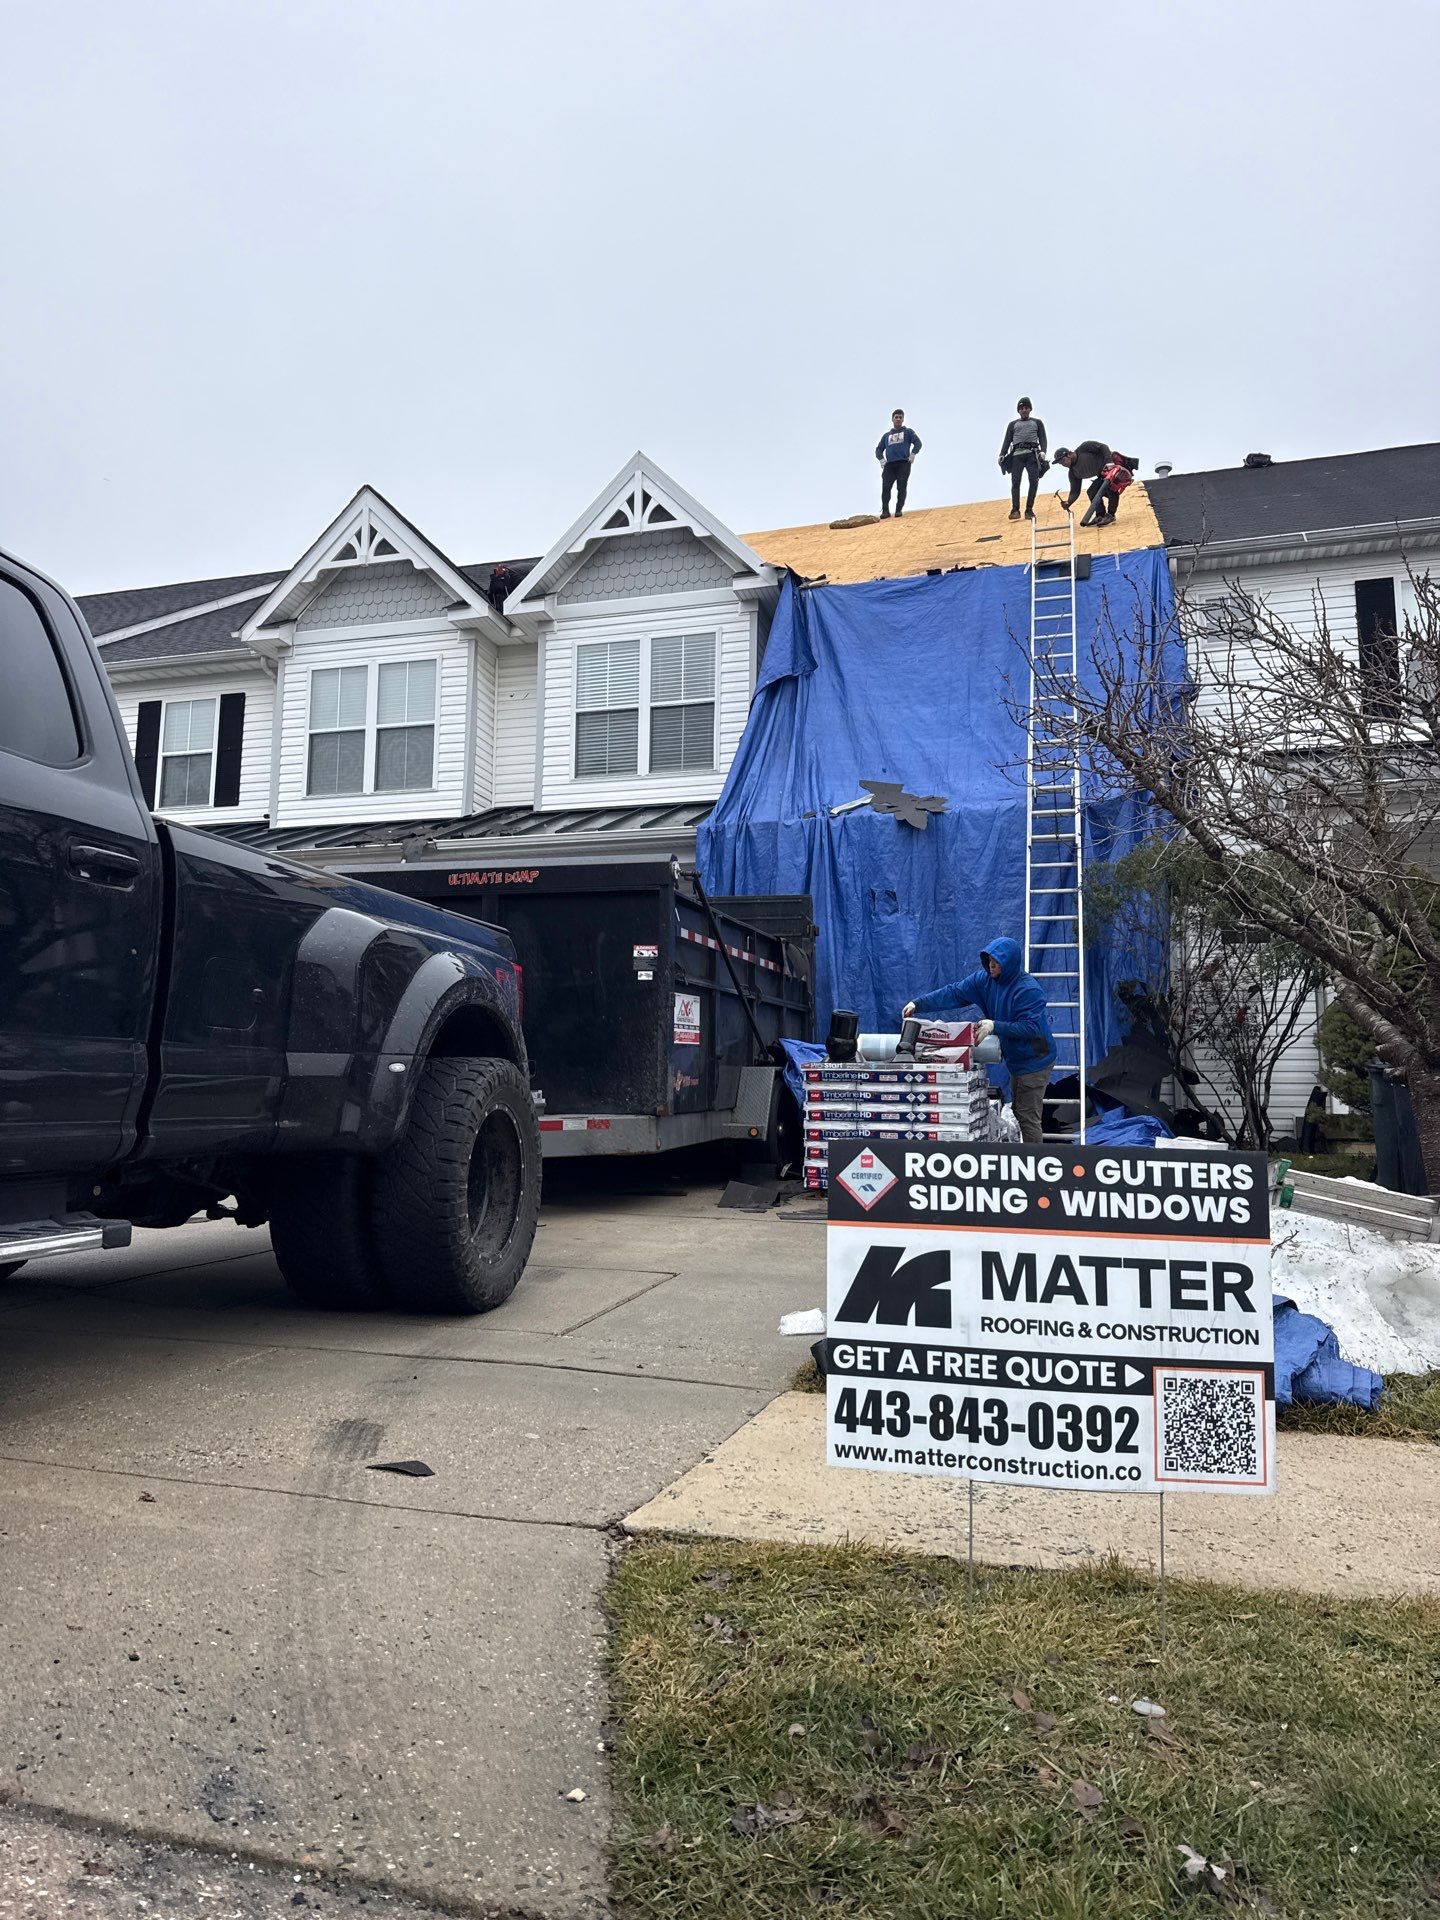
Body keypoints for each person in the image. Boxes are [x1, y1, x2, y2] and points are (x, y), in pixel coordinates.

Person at [902, 935, 1057, 1143]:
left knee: (1027, 1117)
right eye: (988, 961)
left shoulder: (1028, 990)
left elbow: (1031, 1027)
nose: (991, 966)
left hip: (1036, 1059)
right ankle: (1028, 1158)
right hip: (1016, 1058)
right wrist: (918, 1004)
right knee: (1020, 1111)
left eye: (996, 962)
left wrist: (994, 1026)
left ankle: (1035, 1166)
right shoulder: (984, 980)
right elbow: (954, 993)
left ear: (1009, 964)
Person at [1053, 442, 1137, 527]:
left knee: (1110, 486)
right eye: (1061, 464)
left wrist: (1109, 462)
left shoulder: (1084, 448)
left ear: (1069, 454)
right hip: (1103, 475)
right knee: (1091, 491)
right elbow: (1075, 492)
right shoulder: (1073, 473)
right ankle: (1100, 515)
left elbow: (1103, 447)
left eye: (1063, 461)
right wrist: (1068, 502)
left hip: (1115, 467)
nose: (1064, 464)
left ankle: (1111, 515)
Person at [998, 398, 1047, 520]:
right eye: (1022, 408)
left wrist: (1043, 452)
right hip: (1016, 456)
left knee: (1034, 481)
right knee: (1015, 482)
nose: (1024, 410)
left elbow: (1043, 439)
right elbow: (1007, 440)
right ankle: (1015, 510)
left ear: (1030, 409)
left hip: (1032, 454)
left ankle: (1029, 510)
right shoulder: (1013, 424)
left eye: (1026, 408)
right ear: (1018, 410)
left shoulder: (1037, 422)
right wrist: (1002, 454)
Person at [875, 410, 922, 518]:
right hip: (889, 465)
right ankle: (885, 511)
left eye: (900, 417)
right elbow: (878, 449)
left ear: (903, 419)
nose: (898, 419)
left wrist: (913, 453)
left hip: (903, 463)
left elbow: (918, 443)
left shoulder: (908, 432)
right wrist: (881, 459)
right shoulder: (886, 436)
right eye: (896, 417)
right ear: (892, 419)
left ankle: (898, 509)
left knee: (901, 486)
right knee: (886, 488)